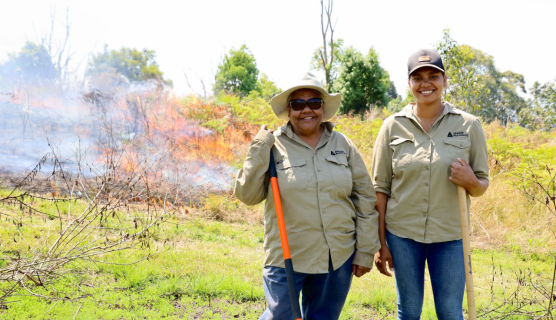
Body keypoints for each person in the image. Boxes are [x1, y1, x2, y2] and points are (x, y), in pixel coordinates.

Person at [234, 71, 380, 320]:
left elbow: (365, 200)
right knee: (279, 316)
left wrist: (365, 250)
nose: (307, 110)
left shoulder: (342, 145)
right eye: (298, 104)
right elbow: (247, 195)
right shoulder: (272, 145)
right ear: (289, 110)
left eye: (314, 103)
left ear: (323, 107)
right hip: (287, 257)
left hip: (336, 257)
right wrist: (259, 146)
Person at [371, 49, 490, 320]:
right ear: (410, 84)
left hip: (450, 236)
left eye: (433, 76)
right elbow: (380, 189)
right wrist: (381, 243)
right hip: (402, 235)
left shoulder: (468, 125)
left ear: (445, 80)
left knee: (449, 312)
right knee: (409, 311)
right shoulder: (392, 126)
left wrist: (472, 181)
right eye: (418, 77)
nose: (426, 83)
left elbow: (482, 184)